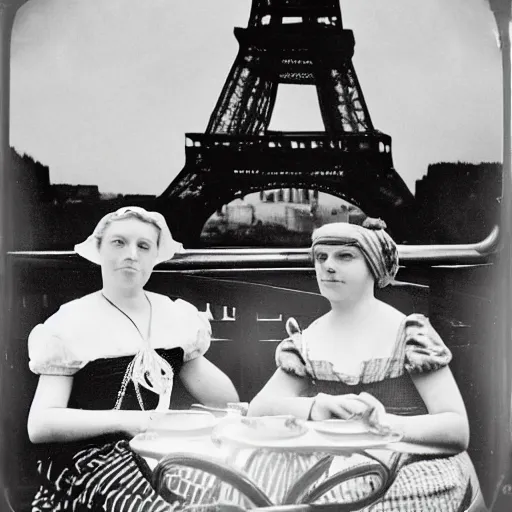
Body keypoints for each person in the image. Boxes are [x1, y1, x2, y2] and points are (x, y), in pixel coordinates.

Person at [245, 218, 475, 511]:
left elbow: (457, 429)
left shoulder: (407, 334)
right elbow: (258, 407)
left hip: (408, 459)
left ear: (373, 267)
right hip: (331, 461)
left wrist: (385, 424)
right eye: (321, 257)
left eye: (345, 256)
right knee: (261, 482)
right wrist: (317, 406)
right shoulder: (308, 340)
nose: (328, 266)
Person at [27, 206, 239, 512]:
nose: (132, 255)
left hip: (163, 450)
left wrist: (228, 407)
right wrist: (134, 421)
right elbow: (40, 424)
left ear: (156, 256)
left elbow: (223, 399)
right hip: (93, 459)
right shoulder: (71, 322)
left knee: (229, 492)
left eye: (143, 246)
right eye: (118, 243)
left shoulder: (174, 315)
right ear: (98, 249)